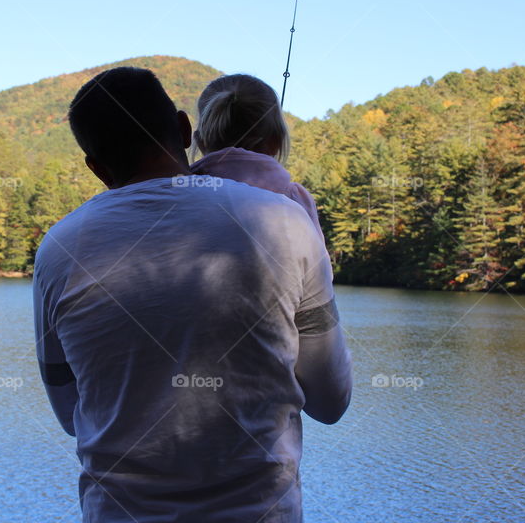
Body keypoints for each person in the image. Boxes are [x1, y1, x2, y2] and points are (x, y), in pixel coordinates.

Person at [33, 66, 353, 523]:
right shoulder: (284, 222)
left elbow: (71, 414)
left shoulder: (59, 249)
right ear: (184, 129)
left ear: (96, 167)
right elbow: (330, 401)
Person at [191, 73, 323, 241]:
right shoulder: (295, 199)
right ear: (277, 142)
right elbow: (319, 265)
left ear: (200, 143)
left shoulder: (177, 193)